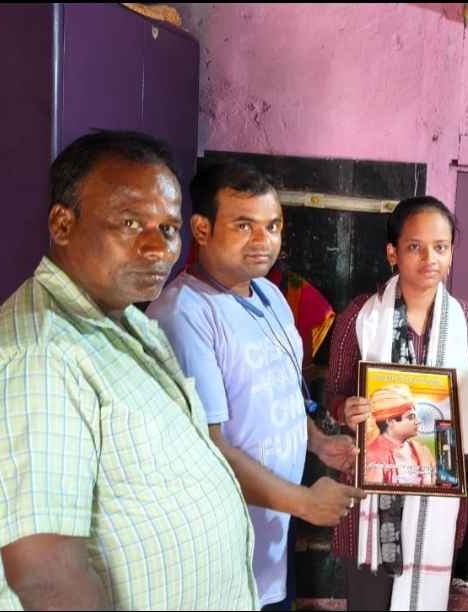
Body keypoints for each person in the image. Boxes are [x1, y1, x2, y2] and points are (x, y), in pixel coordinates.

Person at [0, 131, 259, 610]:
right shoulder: (38, 359)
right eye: (130, 223)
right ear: (63, 224)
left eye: (168, 228)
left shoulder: (123, 319)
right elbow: (47, 578)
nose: (157, 249)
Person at [146, 161, 364, 610]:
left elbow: (279, 393)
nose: (263, 241)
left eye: (272, 226)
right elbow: (207, 449)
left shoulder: (270, 296)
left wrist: (318, 443)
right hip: (217, 551)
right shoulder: (184, 314)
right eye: (244, 225)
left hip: (271, 537)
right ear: (202, 229)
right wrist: (304, 502)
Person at [325, 196, 468, 611]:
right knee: (369, 600)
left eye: (441, 247)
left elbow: (461, 402)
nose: (430, 258)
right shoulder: (360, 316)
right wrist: (346, 410)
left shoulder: (466, 320)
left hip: (438, 492)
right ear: (392, 252)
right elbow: (335, 393)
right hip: (370, 493)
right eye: (415, 246)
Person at [363, 385, 438, 487]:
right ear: (390, 421)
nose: (418, 421)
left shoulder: (422, 451)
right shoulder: (372, 455)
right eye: (410, 417)